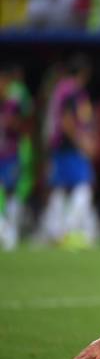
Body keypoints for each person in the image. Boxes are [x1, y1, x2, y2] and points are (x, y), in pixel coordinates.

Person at [39, 55, 98, 249]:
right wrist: (83, 143)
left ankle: (52, 231)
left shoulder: (60, 90)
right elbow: (67, 121)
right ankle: (68, 231)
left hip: (58, 146)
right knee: (83, 187)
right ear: (84, 73)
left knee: (60, 189)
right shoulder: (72, 91)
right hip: (70, 147)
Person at [0, 64, 31, 251]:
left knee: (12, 193)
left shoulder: (13, 103)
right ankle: (6, 232)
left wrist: (12, 123)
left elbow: (23, 125)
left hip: (11, 154)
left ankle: (11, 233)